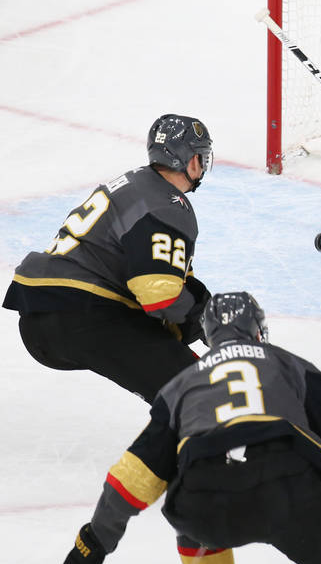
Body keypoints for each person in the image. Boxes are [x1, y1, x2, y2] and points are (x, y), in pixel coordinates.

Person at [58, 291, 321, 564]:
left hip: (206, 503)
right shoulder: (289, 364)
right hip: (291, 492)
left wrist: (91, 548)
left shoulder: (180, 384)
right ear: (258, 330)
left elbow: (133, 478)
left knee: (190, 502)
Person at [3, 114, 214, 402]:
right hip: (83, 313)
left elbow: (167, 282)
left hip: (40, 316)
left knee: (180, 378)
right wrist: (210, 324)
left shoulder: (133, 183)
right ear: (192, 161)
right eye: (202, 157)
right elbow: (160, 296)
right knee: (202, 391)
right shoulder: (168, 204)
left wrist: (199, 318)